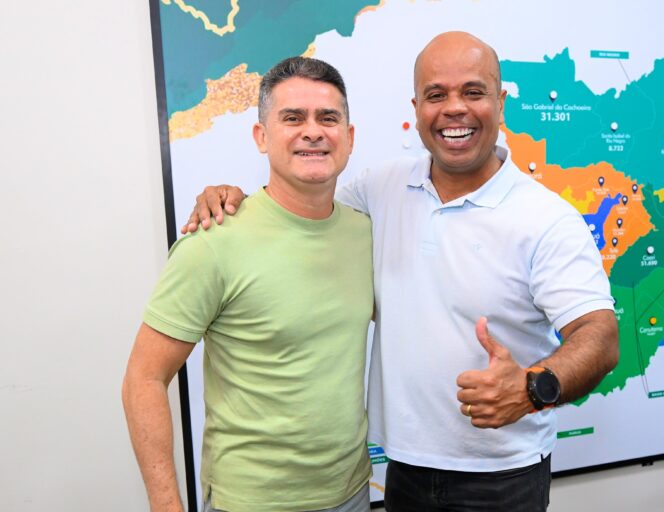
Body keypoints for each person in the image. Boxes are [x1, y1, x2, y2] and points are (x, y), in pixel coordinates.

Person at [186, 32, 619, 511]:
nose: (454, 108)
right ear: (417, 108)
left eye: (473, 92)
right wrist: (232, 199)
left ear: (501, 103)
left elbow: (600, 337)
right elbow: (301, 205)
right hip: (405, 470)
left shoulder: (546, 218)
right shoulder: (381, 187)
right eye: (436, 95)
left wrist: (534, 388)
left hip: (502, 478)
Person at [122, 57, 375, 512]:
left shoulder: (366, 234)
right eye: (292, 118)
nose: (313, 132)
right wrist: (166, 505)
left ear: (349, 137)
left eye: (327, 118)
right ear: (261, 137)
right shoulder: (213, 242)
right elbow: (144, 379)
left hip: (352, 492)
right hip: (249, 501)